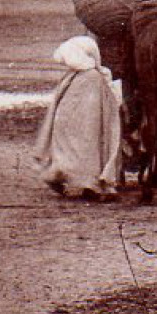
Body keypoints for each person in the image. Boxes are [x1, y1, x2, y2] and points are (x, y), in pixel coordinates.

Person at [31, 36, 123, 200]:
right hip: (86, 126)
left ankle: (63, 177)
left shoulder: (73, 77)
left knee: (72, 151)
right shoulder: (94, 77)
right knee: (89, 148)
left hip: (68, 125)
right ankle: (91, 185)